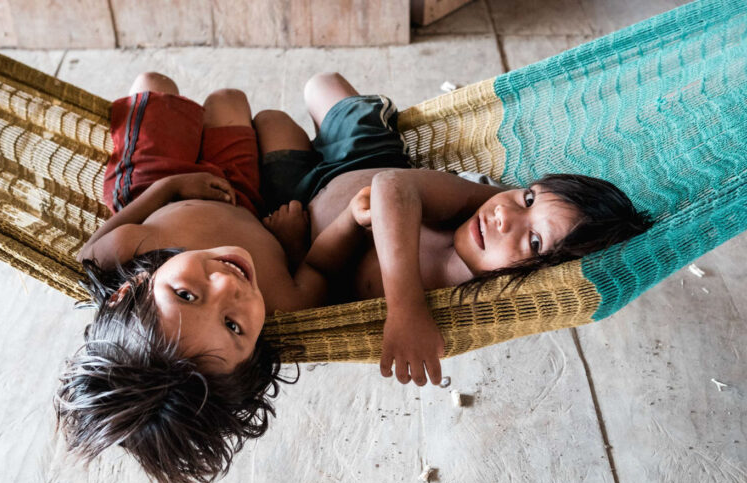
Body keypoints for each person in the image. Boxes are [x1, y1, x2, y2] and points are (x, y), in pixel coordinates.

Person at [56, 72, 368, 483]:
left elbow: (86, 252)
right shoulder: (285, 301)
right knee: (229, 99)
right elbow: (319, 270)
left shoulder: (131, 252)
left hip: (154, 181)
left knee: (154, 82)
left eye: (185, 294)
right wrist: (291, 245)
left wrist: (169, 188)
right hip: (236, 192)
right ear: (250, 359)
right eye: (233, 326)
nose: (226, 286)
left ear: (131, 289)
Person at [260, 72, 654, 389]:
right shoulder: (478, 203)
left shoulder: (469, 302)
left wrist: (293, 250)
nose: (504, 216)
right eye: (529, 199)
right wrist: (406, 308)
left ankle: (305, 144)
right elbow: (391, 186)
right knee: (321, 83)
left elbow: (319, 286)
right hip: (367, 159)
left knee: (270, 120)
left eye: (533, 241)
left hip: (298, 208)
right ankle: (325, 132)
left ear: (543, 276)